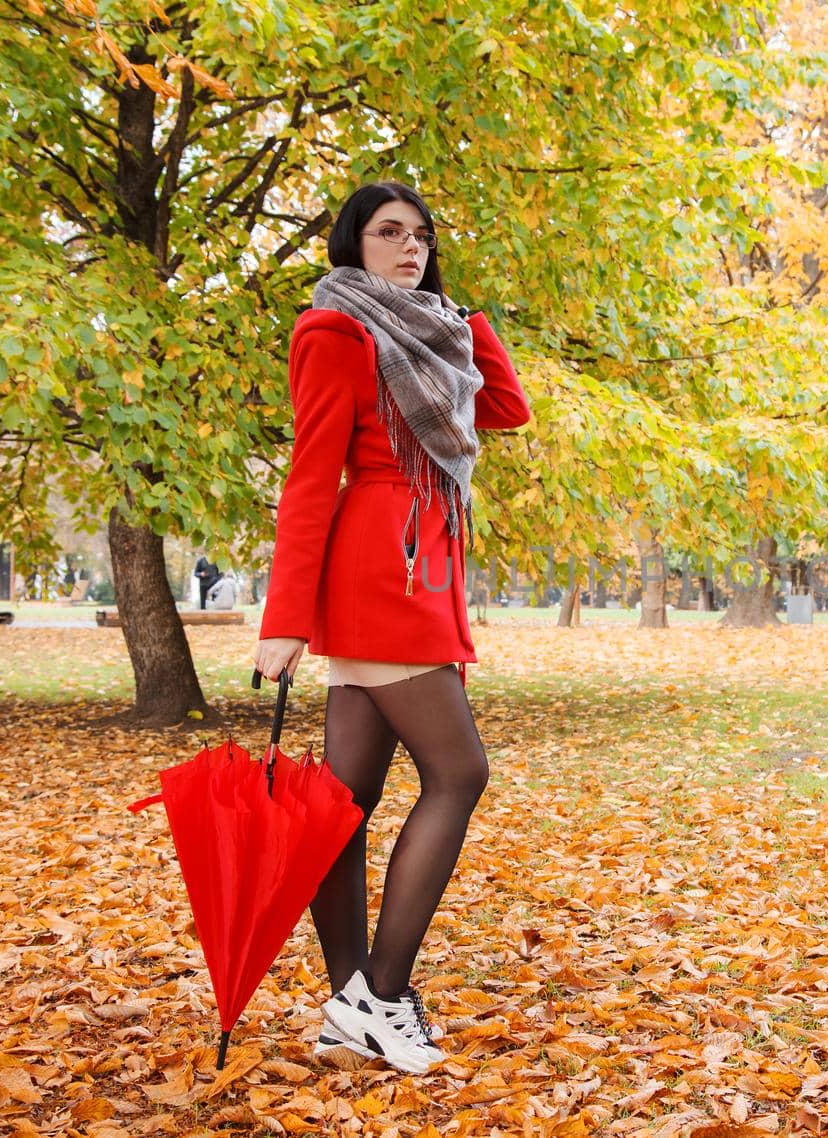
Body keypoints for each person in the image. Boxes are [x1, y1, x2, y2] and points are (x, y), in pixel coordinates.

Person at [252, 182, 531, 1074]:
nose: (408, 248)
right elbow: (310, 476)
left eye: (421, 237)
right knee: (460, 771)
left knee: (344, 803)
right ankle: (380, 990)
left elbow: (507, 409)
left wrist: (462, 318)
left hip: (418, 569)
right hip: (382, 575)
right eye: (388, 233)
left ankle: (349, 1009)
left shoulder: (433, 339)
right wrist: (284, 619)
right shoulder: (337, 332)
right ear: (353, 244)